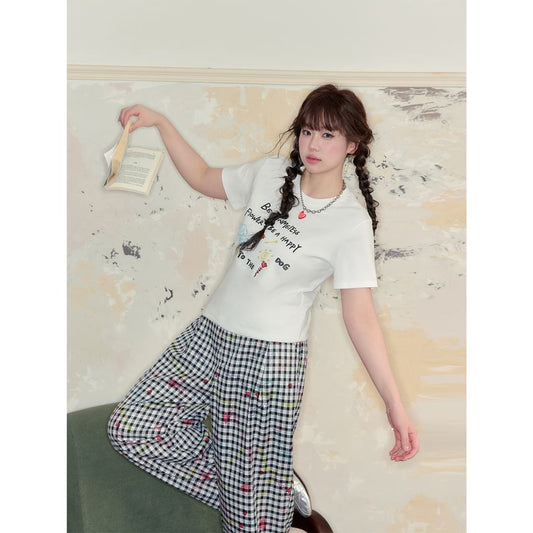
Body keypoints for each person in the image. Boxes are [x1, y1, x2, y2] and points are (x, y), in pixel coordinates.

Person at [107, 84, 419, 533]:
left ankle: (263, 499)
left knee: (247, 523)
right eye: (307, 131)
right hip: (210, 335)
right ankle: (274, 494)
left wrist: (394, 404)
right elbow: (202, 176)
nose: (313, 144)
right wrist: (161, 123)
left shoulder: (350, 223)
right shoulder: (271, 174)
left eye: (328, 135)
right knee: (132, 428)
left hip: (268, 359)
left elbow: (361, 317)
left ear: (352, 145)